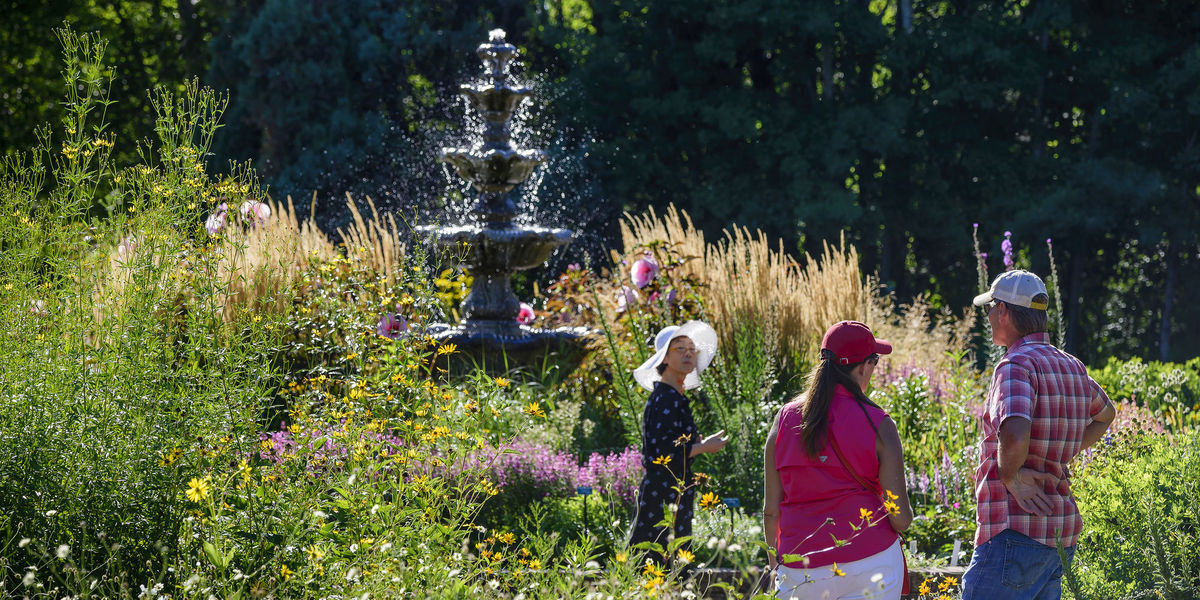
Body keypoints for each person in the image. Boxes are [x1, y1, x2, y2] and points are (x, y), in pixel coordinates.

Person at [962, 270, 1116, 600]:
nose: (988, 317)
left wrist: (1011, 476)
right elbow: (1106, 415)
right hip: (1059, 532)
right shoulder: (1072, 365)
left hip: (1014, 531)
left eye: (990, 309)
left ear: (1002, 311)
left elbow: (1015, 433)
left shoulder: (1015, 365)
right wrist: (1067, 449)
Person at [763, 321, 914, 600]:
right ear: (863, 366)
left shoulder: (784, 419)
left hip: (800, 567)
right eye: (875, 361)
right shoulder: (878, 422)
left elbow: (771, 512)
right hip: (871, 560)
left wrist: (777, 567)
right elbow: (901, 518)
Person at [628, 321, 729, 563]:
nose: (688, 354)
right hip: (662, 493)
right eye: (680, 348)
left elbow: (673, 446)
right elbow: (663, 453)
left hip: (673, 490)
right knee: (658, 564)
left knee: (669, 563)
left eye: (692, 349)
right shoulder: (665, 399)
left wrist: (701, 444)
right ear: (664, 358)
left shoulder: (674, 397)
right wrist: (704, 447)